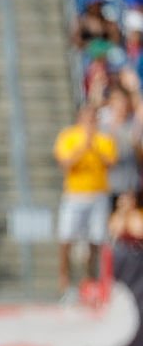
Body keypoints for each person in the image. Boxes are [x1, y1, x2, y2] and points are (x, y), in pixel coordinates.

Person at [54, 105, 118, 295]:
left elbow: (111, 162)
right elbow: (65, 163)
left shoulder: (104, 139)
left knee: (96, 239)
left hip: (98, 194)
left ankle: (91, 280)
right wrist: (84, 146)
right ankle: (65, 281)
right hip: (75, 194)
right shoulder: (69, 136)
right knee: (66, 237)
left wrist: (95, 148)